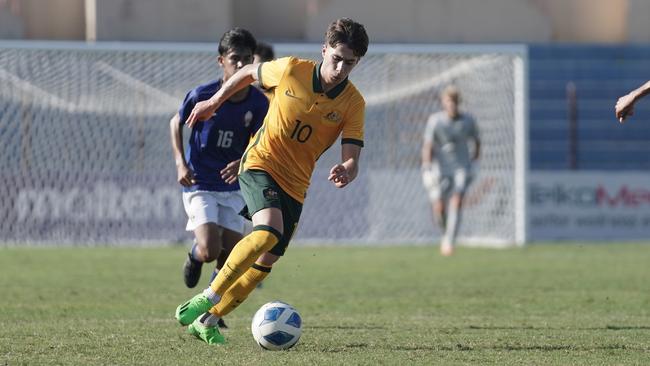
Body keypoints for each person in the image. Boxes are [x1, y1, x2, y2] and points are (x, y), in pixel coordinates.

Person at [174, 17, 369, 345]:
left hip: (296, 184)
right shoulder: (292, 69)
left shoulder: (353, 103)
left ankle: (209, 320)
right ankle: (208, 296)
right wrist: (213, 101)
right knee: (267, 232)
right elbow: (249, 73)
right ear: (325, 50)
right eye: (336, 58)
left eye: (350, 63)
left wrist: (348, 168)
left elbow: (351, 154)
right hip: (260, 163)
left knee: (266, 260)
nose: (341, 68)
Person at [169, 28, 268, 330]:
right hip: (200, 182)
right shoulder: (203, 95)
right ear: (221, 61)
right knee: (212, 249)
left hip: (235, 185)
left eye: (247, 60)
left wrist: (243, 161)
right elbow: (176, 122)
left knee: (232, 257)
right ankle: (196, 256)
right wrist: (180, 163)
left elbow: (263, 141)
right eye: (234, 59)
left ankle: (208, 308)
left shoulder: (258, 103)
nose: (241, 66)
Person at [421, 86, 480, 256]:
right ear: (443, 103)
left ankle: (449, 241)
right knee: (439, 208)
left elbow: (477, 142)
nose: (452, 105)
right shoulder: (435, 121)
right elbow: (428, 145)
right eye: (449, 101)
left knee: (457, 200)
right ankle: (446, 234)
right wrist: (426, 167)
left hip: (462, 167)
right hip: (441, 169)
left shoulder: (468, 121)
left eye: (454, 102)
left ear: (458, 103)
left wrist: (476, 162)